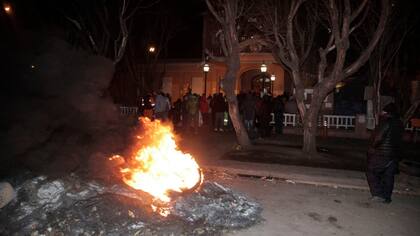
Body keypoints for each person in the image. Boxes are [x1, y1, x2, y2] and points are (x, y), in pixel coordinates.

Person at [366, 103, 404, 203]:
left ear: (387, 112)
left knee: (371, 171)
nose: (381, 113)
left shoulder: (386, 122)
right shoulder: (400, 123)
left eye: (383, 111)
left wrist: (372, 147)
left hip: (382, 153)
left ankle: (378, 194)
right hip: (394, 155)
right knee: (388, 175)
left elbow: (378, 137)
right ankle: (387, 197)